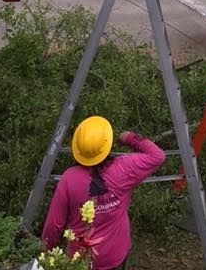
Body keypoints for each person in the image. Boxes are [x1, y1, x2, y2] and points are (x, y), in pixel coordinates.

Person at [41, 116, 164, 270]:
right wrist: (129, 137)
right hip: (115, 255)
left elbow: (54, 225)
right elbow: (157, 156)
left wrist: (45, 254)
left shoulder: (69, 178)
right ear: (107, 144)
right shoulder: (124, 168)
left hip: (80, 259)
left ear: (77, 148)